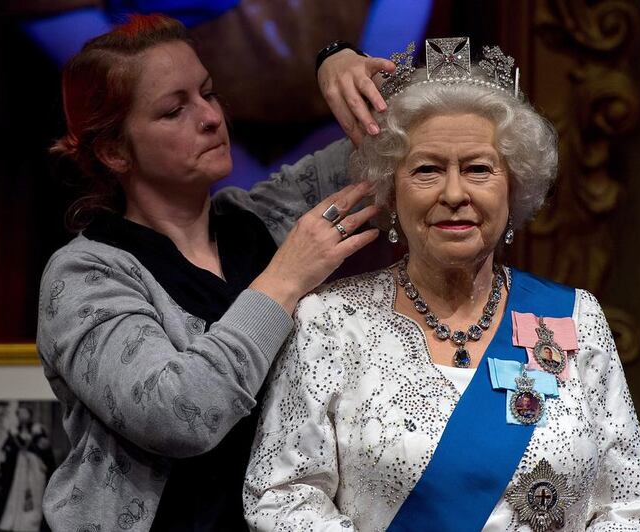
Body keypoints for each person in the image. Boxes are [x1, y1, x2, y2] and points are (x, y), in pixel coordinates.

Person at [244, 38, 640, 531]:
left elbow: (633, 506)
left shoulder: (575, 317)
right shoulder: (330, 321)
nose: (454, 193)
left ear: (514, 185)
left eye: (478, 169)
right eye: (427, 170)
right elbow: (283, 498)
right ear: (390, 190)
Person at [35, 14, 395, 531]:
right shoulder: (87, 274)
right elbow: (177, 415)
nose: (209, 117)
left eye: (208, 93)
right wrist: (285, 280)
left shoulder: (263, 219)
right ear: (114, 151)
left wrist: (337, 62)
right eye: (174, 110)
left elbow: (410, 140)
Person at [0, 405, 55, 532]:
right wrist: (12, 448)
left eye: (25, 413)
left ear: (30, 414)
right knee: (19, 491)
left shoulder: (37, 429)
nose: (22, 416)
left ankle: (33, 522)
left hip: (35, 466)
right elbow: (6, 448)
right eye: (20, 414)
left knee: (35, 491)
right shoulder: (14, 431)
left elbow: (45, 448)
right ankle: (18, 520)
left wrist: (36, 447)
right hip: (19, 467)